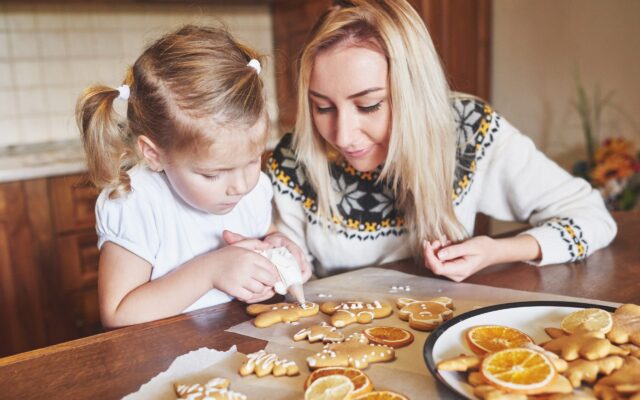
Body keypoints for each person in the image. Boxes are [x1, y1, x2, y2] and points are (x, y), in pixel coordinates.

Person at [266, 0, 617, 282]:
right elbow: (288, 265)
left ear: (414, 93)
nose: (342, 135)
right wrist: (278, 253)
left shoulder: (469, 131)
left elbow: (592, 219)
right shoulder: (294, 156)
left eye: (369, 105)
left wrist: (498, 251)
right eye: (322, 107)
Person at [76, 25, 311, 329]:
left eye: (253, 160)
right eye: (212, 174)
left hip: (228, 343)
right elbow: (118, 313)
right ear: (154, 154)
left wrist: (278, 244)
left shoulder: (251, 189)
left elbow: (264, 230)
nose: (241, 186)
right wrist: (211, 270)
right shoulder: (136, 203)